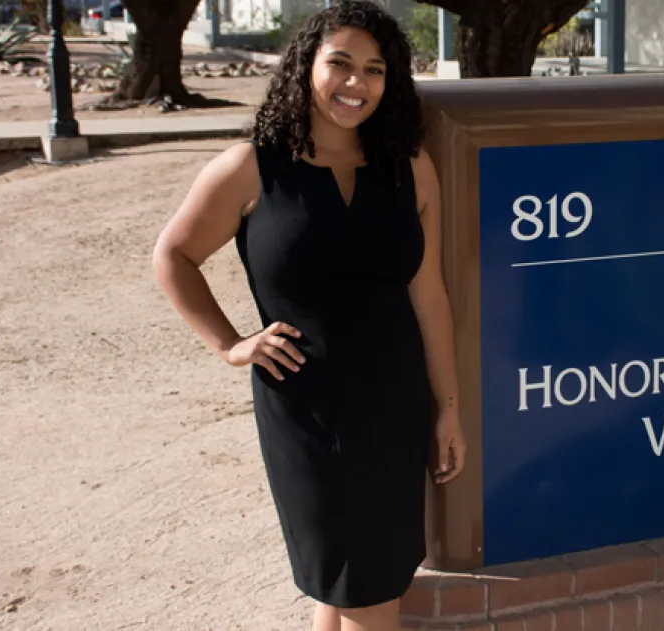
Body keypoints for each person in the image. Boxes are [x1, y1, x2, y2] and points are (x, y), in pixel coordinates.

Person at [151, 2, 466, 630]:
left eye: (374, 70)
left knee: (354, 586)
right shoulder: (251, 168)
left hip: (393, 407)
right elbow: (174, 255)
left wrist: (449, 407)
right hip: (307, 409)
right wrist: (231, 344)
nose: (357, 83)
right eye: (340, 64)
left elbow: (427, 294)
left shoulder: (409, 169)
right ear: (305, 68)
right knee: (359, 587)